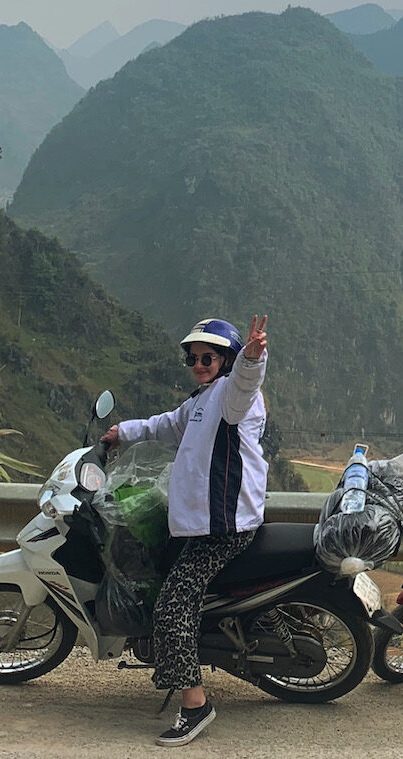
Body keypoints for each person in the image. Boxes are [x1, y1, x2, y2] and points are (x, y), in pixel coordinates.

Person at [101, 314, 268, 747]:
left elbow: (244, 387)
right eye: (193, 357)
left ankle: (195, 706)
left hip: (222, 528)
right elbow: (167, 425)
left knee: (172, 609)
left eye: (208, 356)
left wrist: (252, 358)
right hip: (200, 523)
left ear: (226, 360)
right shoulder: (200, 401)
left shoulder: (234, 396)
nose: (199, 363)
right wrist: (124, 432)